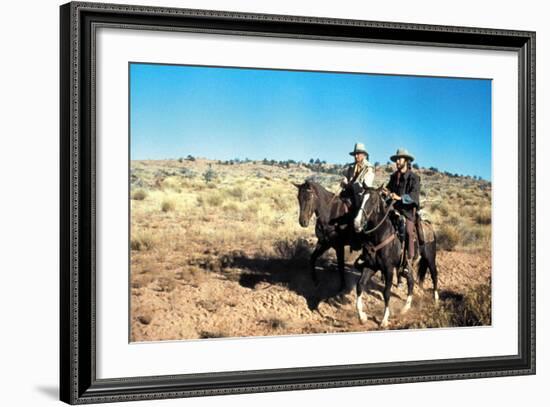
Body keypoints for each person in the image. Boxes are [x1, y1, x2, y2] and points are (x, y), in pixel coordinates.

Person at [384, 148, 424, 272]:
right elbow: (388, 189)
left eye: (399, 159)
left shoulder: (414, 178)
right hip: (393, 209)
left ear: (406, 161)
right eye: (396, 160)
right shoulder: (394, 176)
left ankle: (408, 260)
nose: (397, 162)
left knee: (407, 231)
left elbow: (414, 197)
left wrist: (399, 198)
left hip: (407, 212)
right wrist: (387, 192)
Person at [340, 142, 375, 210]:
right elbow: (345, 177)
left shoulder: (369, 168)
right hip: (349, 193)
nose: (356, 156)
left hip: (360, 198)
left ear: (364, 155)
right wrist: (344, 180)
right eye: (355, 154)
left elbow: (365, 185)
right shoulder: (351, 167)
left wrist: (350, 185)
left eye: (358, 154)